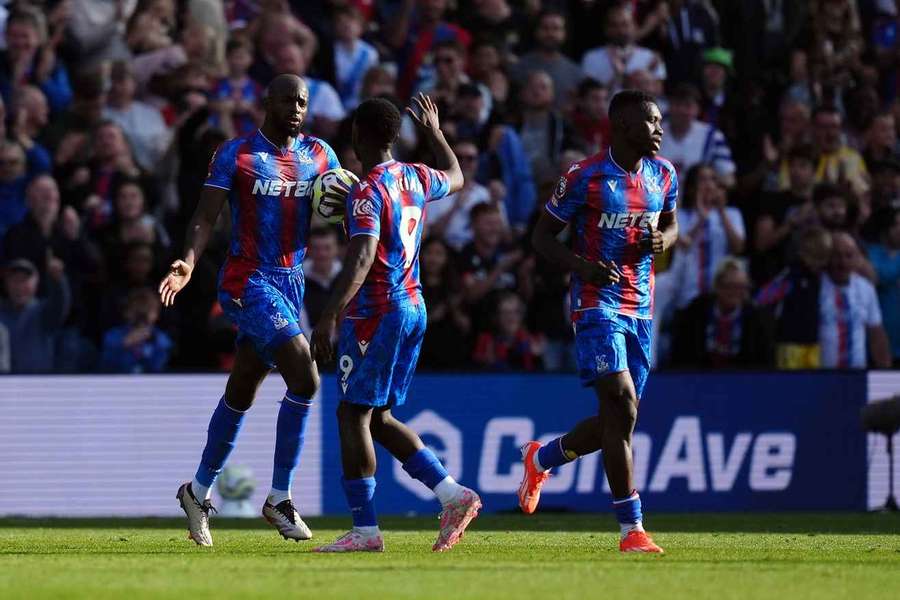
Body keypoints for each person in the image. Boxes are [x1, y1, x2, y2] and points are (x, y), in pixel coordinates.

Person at [158, 74, 343, 547]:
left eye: (303, 101)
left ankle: (197, 491)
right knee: (305, 374)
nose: (297, 108)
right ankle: (279, 498)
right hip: (246, 279)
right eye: (288, 100)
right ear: (268, 101)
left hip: (291, 281)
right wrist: (189, 263)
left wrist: (353, 200)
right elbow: (204, 216)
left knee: (243, 387)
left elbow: (343, 206)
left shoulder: (321, 156)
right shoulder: (236, 154)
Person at [310, 95, 480, 553]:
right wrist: (436, 132)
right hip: (413, 306)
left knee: (352, 413)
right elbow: (458, 177)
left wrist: (328, 317)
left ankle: (365, 531)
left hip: (378, 314)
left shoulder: (367, 191)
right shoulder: (416, 176)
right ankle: (452, 495)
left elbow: (363, 257)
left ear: (356, 137)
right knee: (378, 417)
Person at [525, 90, 678, 553]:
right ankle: (632, 529)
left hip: (641, 308)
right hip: (596, 303)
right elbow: (541, 238)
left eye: (660, 121)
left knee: (619, 420)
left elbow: (672, 224)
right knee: (622, 404)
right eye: (650, 121)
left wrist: (663, 241)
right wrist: (582, 267)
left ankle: (544, 456)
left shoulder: (664, 174)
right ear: (624, 125)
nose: (659, 129)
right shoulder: (585, 177)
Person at [670, 258, 774, 368]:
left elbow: (762, 362)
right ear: (718, 286)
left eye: (741, 287)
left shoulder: (757, 318)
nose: (736, 292)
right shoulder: (695, 312)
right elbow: (681, 354)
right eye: (730, 286)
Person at [819, 232, 891, 368]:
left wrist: (886, 376)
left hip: (856, 377)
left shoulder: (866, 288)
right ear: (827, 257)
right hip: (820, 376)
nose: (843, 262)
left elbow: (876, 334)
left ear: (857, 258)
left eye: (849, 255)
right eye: (837, 255)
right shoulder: (815, 287)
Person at [100, 287, 173, 373]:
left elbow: (161, 364)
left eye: (148, 309)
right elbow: (106, 364)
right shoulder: (113, 336)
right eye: (137, 309)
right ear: (126, 311)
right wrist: (124, 343)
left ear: (156, 313)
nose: (142, 314)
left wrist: (152, 340)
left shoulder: (160, 338)